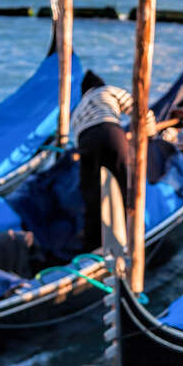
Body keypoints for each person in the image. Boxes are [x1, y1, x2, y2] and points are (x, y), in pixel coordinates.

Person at [71, 70, 154, 250]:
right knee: (126, 183)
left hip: (85, 143)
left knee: (92, 195)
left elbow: (78, 138)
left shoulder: (77, 110)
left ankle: (93, 245)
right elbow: (139, 111)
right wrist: (151, 134)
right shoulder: (107, 90)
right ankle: (132, 232)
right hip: (111, 133)